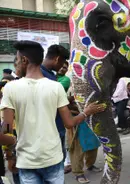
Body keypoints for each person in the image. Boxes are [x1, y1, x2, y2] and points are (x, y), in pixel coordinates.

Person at [0, 41, 106, 183]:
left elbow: (6, 129)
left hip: (27, 161)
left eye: (17, 60)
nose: (16, 64)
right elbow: (69, 123)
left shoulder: (10, 88)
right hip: (53, 157)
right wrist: (86, 112)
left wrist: (9, 153)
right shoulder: (56, 87)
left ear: (24, 60)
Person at [41, 44, 71, 162]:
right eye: (62, 62)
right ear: (58, 59)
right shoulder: (46, 78)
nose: (61, 67)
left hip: (55, 127)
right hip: (51, 131)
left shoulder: (51, 75)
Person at [67, 96, 102, 183]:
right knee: (78, 149)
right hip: (76, 120)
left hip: (91, 120)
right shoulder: (68, 84)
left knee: (93, 145)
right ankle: (78, 173)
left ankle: (90, 164)